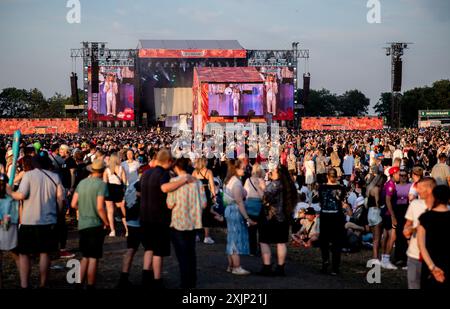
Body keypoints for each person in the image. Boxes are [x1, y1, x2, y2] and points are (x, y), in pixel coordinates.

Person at [6, 152, 64, 289]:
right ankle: (43, 283)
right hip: (49, 220)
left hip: (29, 220)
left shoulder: (28, 175)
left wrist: (9, 192)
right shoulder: (55, 176)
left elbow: (21, 195)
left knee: (24, 253)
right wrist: (59, 213)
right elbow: (60, 198)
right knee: (45, 253)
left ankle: (24, 284)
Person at [140, 149, 196, 288]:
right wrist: (184, 180)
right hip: (158, 218)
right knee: (158, 251)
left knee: (149, 248)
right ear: (169, 161)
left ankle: (145, 277)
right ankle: (157, 280)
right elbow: (164, 188)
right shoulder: (163, 174)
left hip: (144, 216)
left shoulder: (146, 173)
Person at [167, 158, 207, 288]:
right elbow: (204, 203)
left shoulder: (174, 182)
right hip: (193, 221)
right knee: (191, 253)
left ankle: (185, 282)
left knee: (182, 255)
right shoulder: (198, 183)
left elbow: (169, 204)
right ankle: (192, 280)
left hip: (179, 221)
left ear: (177, 168)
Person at [70, 159, 109, 289]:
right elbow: (100, 207)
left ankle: (78, 282)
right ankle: (91, 285)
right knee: (93, 258)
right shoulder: (101, 185)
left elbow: (73, 204)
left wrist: (84, 208)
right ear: (102, 170)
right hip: (95, 224)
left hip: (83, 223)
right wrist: (107, 222)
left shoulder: (82, 183)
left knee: (85, 256)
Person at [259, 165, 298, 276]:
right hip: (284, 217)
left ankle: (267, 266)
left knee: (264, 241)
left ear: (279, 173)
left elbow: (266, 200)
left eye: (273, 170)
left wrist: (263, 189)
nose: (270, 172)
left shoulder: (274, 185)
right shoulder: (289, 186)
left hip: (271, 218)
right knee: (281, 243)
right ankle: (280, 267)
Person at [223, 159, 255, 275]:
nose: (244, 170)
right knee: (235, 240)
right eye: (242, 168)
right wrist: (247, 218)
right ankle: (236, 267)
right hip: (235, 211)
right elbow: (239, 202)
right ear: (235, 169)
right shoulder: (236, 182)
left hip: (229, 210)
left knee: (231, 238)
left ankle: (231, 266)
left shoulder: (228, 181)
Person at [403, 177, 436, 289]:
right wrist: (409, 230)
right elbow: (407, 227)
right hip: (415, 255)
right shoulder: (415, 204)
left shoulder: (443, 207)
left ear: (430, 189)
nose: (417, 191)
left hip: (435, 257)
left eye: (420, 188)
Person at [417, 185, 450, 289]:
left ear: (434, 197)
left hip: (430, 263)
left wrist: (432, 267)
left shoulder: (425, 217)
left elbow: (421, 246)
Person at [318, 168, 347, 275]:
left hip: (325, 216)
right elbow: (343, 201)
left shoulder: (321, 188)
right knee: (336, 243)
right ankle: (335, 267)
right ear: (336, 176)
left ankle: (325, 262)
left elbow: (321, 202)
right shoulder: (341, 188)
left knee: (324, 242)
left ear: (327, 176)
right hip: (337, 217)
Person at [0, 172, 19, 289]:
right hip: (9, 227)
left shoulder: (12, 197)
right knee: (16, 255)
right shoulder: (12, 197)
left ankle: (24, 281)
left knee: (16, 255)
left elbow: (15, 214)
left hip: (10, 228)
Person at [380, 166, 400, 270]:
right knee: (393, 236)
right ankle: (386, 259)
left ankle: (384, 258)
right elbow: (388, 200)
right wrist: (393, 216)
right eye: (398, 174)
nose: (399, 176)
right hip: (388, 214)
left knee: (386, 235)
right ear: (393, 174)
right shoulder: (391, 185)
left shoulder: (389, 184)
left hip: (385, 213)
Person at [243, 163, 266, 256]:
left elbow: (245, 193)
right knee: (261, 229)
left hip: (249, 204)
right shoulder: (261, 180)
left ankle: (252, 250)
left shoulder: (248, 180)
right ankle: (262, 249)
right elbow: (264, 194)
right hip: (259, 205)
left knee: (251, 230)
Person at [192, 157, 216, 244]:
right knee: (206, 214)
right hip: (205, 192)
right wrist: (214, 195)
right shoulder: (209, 172)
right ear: (204, 162)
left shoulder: (194, 172)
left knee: (197, 214)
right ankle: (207, 236)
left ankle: (196, 235)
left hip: (197, 192)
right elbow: (212, 185)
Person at [103, 153, 128, 237]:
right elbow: (125, 182)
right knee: (121, 211)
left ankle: (112, 230)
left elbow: (104, 183)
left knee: (110, 212)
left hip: (109, 190)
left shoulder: (107, 170)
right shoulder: (121, 168)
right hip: (118, 190)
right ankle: (127, 230)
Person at [366, 173, 386, 266]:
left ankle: (375, 257)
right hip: (376, 212)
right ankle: (376, 257)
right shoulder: (377, 189)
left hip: (370, 213)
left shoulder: (369, 188)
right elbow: (378, 202)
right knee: (378, 238)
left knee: (374, 237)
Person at [393, 168, 412, 267]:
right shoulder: (395, 187)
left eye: (405, 175)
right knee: (398, 233)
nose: (403, 177)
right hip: (398, 211)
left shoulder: (410, 186)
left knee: (407, 234)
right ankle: (399, 257)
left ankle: (406, 257)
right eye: (401, 175)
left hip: (407, 209)